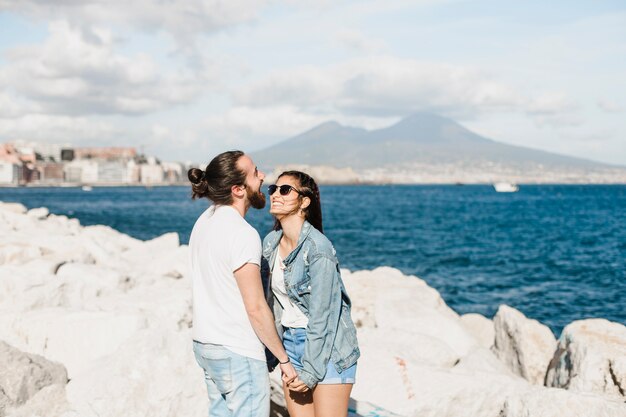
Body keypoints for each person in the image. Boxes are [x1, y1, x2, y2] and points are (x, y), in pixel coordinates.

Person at [188, 151, 297, 417]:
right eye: (255, 172)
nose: (262, 176)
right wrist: (283, 359)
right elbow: (256, 307)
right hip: (238, 351)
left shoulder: (205, 221)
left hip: (206, 344)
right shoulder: (242, 233)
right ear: (238, 189)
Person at [262, 170, 360, 417]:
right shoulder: (271, 243)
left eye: (285, 190)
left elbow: (323, 316)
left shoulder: (318, 248)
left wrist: (312, 370)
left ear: (304, 201)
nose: (276, 194)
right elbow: (271, 304)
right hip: (290, 346)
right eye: (274, 189)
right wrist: (274, 354)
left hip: (328, 349)